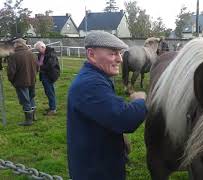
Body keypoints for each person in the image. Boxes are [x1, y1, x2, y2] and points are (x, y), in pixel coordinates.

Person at [67, 31, 147, 179]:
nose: (120, 59)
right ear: (91, 55)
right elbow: (125, 119)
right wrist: (140, 101)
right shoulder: (90, 84)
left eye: (120, 53)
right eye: (113, 54)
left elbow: (105, 115)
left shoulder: (97, 78)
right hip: (96, 171)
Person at [7, 38, 37, 126]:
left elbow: (11, 72)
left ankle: (29, 120)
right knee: (31, 97)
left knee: (25, 100)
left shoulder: (14, 56)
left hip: (21, 81)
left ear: (17, 44)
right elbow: (37, 67)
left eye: (14, 44)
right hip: (32, 80)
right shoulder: (31, 54)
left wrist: (12, 80)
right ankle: (33, 116)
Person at [34, 41, 60, 115]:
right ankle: (52, 106)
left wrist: (40, 67)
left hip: (50, 75)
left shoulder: (51, 53)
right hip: (44, 74)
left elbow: (50, 65)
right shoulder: (40, 54)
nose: (38, 51)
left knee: (50, 92)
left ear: (43, 47)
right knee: (48, 91)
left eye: (38, 49)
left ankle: (53, 109)